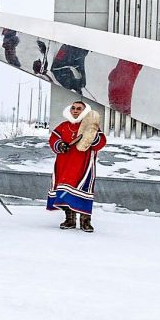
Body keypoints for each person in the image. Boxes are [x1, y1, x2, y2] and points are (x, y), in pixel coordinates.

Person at [46, 99, 106, 232]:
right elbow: (53, 139)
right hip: (65, 165)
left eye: (79, 108)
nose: (75, 110)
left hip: (83, 166)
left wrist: (91, 137)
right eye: (73, 108)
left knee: (83, 191)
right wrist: (60, 145)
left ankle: (85, 221)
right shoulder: (63, 126)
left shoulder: (91, 127)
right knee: (65, 192)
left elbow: (101, 142)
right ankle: (69, 220)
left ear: (84, 111)